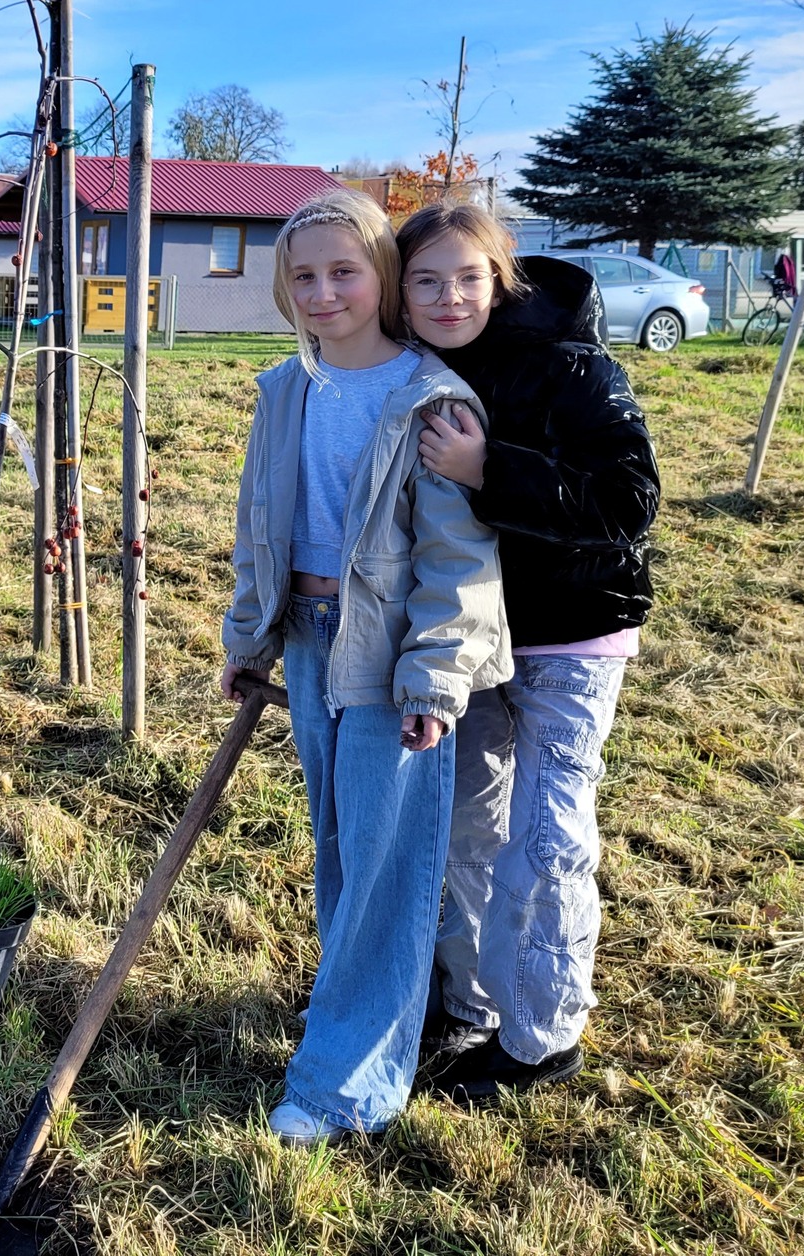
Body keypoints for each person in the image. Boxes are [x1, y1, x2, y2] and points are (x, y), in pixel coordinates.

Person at [219, 189, 511, 1143]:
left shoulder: (427, 397)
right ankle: (350, 1022)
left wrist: (435, 675)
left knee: (389, 860)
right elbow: (260, 528)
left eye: (344, 270)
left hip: (391, 655)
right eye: (303, 275)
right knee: (341, 846)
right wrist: (248, 636)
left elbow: (456, 559)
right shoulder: (287, 391)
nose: (323, 291)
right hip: (307, 638)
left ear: (382, 274)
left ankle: (348, 1089)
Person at [394, 203, 659, 1101]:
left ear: (500, 278)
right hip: (471, 639)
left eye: (468, 277)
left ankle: (544, 1035)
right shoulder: (414, 368)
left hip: (571, 637)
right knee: (468, 826)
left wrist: (488, 470)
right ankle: (465, 1002)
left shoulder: (575, 366)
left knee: (545, 836)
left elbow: (628, 501)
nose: (448, 296)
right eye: (425, 280)